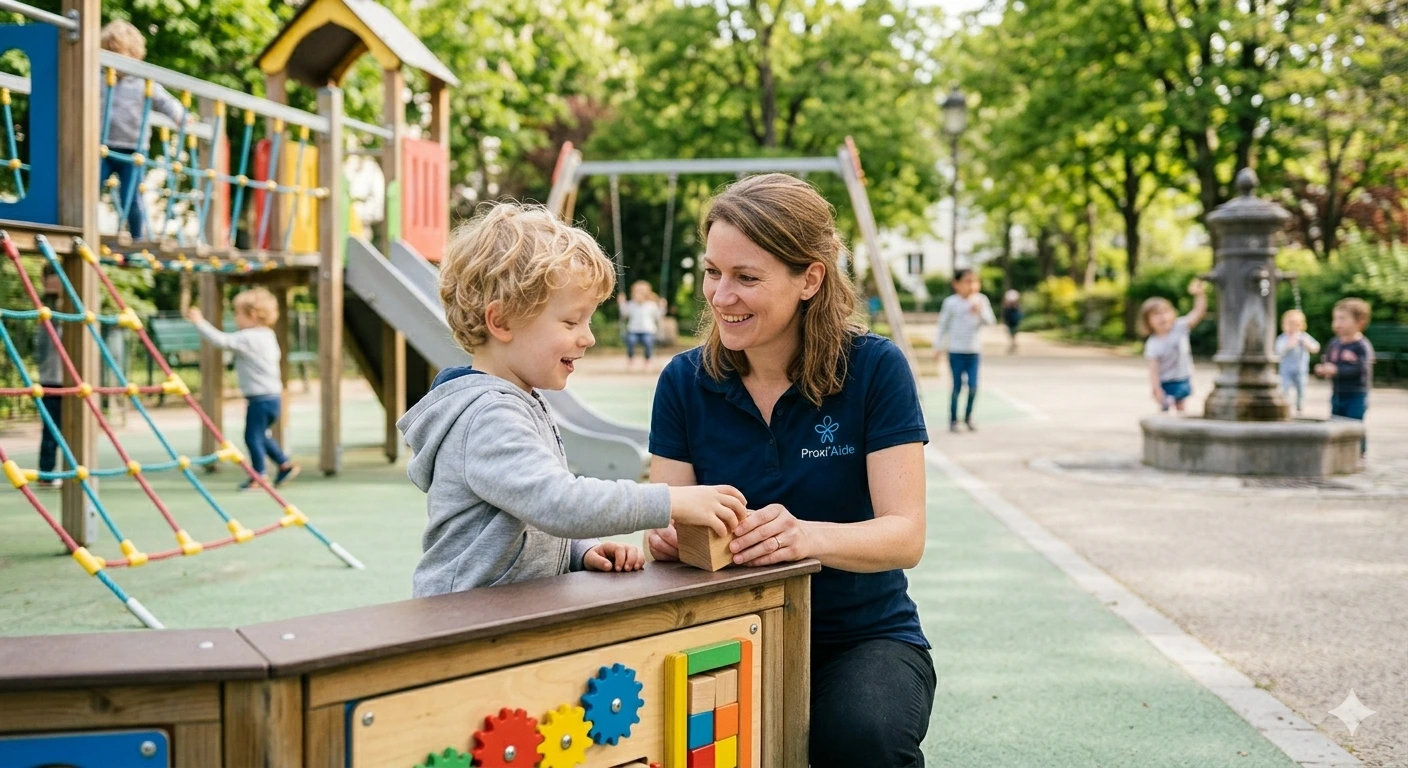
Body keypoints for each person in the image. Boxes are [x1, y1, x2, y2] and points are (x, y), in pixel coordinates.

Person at [644, 175, 934, 767]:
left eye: (746, 278)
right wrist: (671, 538)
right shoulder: (682, 381)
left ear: (810, 278)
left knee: (861, 734)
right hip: (721, 636)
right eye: (712, 272)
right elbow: (664, 529)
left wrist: (805, 536)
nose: (721, 296)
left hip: (861, 637)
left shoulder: (876, 370)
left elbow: (906, 535)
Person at [397, 203, 750, 597]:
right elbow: (557, 501)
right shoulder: (487, 415)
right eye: (570, 322)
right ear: (501, 322)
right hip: (460, 624)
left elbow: (523, 516)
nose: (588, 337)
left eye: (588, 321)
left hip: (496, 614)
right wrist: (671, 501)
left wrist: (579, 551)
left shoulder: (518, 400)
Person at [185, 288, 299, 490]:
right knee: (261, 435)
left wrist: (199, 322)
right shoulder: (268, 335)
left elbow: (221, 341)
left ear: (253, 315)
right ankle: (283, 464)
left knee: (252, 436)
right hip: (273, 397)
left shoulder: (249, 337)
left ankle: (259, 475)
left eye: (237, 313)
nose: (235, 318)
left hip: (260, 399)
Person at [100, 21, 192, 240]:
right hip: (102, 146)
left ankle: (137, 238)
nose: (113, 61)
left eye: (117, 54)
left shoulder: (143, 83)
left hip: (134, 151)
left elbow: (166, 101)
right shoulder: (99, 78)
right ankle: (81, 226)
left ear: (135, 56)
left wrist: (180, 116)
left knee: (130, 197)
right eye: (108, 54)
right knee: (88, 185)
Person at [934, 268, 995, 432]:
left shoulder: (981, 300)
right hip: (956, 351)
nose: (972, 285)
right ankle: (953, 420)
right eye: (968, 281)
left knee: (973, 386)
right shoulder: (951, 303)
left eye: (975, 281)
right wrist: (938, 347)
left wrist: (980, 311)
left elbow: (990, 322)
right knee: (957, 387)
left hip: (974, 352)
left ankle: (968, 416)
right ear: (956, 284)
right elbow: (943, 326)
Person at [1314, 298, 1374, 456]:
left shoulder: (1362, 346)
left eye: (1342, 319)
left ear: (1359, 322)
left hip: (1356, 393)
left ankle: (1359, 453)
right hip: (1338, 392)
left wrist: (1337, 370)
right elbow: (1328, 360)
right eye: (1335, 319)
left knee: (1354, 424)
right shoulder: (1335, 343)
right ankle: (1339, 453)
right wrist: (1323, 369)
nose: (1337, 323)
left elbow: (1361, 368)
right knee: (1336, 421)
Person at [1138, 279, 1208, 413]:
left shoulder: (1179, 327)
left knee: (1181, 408)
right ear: (1148, 321)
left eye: (1165, 312)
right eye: (1156, 315)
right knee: (1166, 408)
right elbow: (1153, 369)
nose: (1162, 317)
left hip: (1183, 377)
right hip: (1166, 381)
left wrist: (1200, 294)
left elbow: (1198, 312)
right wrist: (1156, 388)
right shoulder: (1153, 343)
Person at [33, 266, 65, 489]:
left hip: (70, 380)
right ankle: (46, 472)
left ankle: (65, 470)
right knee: (51, 429)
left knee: (67, 428)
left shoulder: (66, 307)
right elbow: (42, 348)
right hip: (53, 378)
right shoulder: (47, 311)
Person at [1274, 309, 1320, 414]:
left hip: (1301, 369)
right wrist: (1289, 345)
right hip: (1286, 369)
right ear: (1284, 325)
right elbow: (1278, 352)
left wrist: (1307, 344)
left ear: (1301, 325)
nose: (1292, 327)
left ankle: (1300, 407)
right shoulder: (1283, 338)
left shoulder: (1303, 337)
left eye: (1295, 324)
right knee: (1285, 388)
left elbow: (1316, 348)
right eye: (1289, 324)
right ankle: (1284, 406)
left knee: (1301, 389)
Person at [617, 279, 666, 371]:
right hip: (633, 330)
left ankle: (647, 361)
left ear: (646, 294)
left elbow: (658, 316)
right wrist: (621, 303)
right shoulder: (631, 304)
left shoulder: (651, 305)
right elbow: (624, 313)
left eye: (641, 293)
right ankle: (630, 360)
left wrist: (662, 307)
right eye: (636, 293)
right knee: (631, 342)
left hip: (648, 330)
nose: (638, 295)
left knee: (648, 343)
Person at [1001, 288, 1023, 354]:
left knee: (1013, 333)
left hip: (1014, 322)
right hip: (1010, 322)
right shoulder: (1008, 307)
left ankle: (1013, 344)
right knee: (1011, 334)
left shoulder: (1015, 307)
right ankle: (1013, 343)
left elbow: (1018, 315)